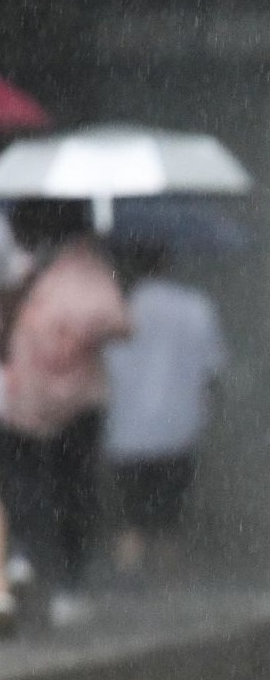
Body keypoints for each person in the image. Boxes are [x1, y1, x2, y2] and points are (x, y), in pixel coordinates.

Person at [0, 199, 131, 630]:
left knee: (24, 484)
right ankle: (67, 586)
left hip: (27, 396)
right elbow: (118, 322)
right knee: (73, 489)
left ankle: (22, 557)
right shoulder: (89, 265)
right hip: (79, 401)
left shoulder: (27, 264)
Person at [103, 242, 227, 584]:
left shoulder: (119, 311)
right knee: (169, 518)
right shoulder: (197, 308)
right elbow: (211, 371)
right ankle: (168, 590)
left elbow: (105, 371)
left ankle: (129, 585)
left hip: (126, 432)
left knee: (131, 517)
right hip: (179, 429)